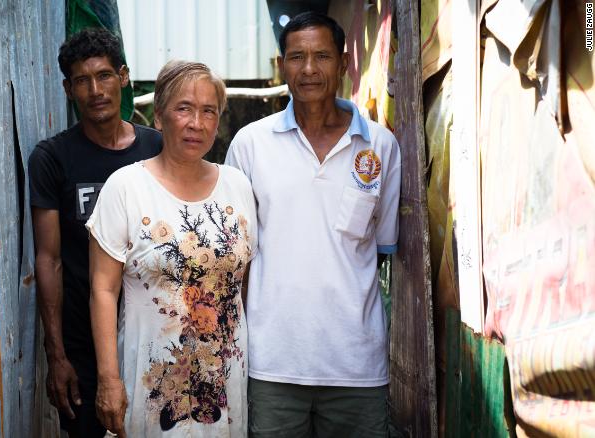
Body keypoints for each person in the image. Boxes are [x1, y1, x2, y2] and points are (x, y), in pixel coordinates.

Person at [224, 11, 401, 437]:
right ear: (281, 64)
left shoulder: (380, 145)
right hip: (272, 365)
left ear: (343, 64)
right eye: (296, 56)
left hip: (357, 366)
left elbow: (381, 249)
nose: (308, 69)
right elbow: (235, 257)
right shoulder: (250, 145)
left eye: (321, 56)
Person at [86, 61, 257, 437]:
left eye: (208, 111)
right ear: (160, 117)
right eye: (184, 108)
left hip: (224, 385)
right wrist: (108, 380)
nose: (196, 122)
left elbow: (240, 284)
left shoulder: (238, 186)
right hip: (152, 385)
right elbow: (102, 289)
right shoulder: (126, 187)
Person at [28, 28, 162, 438]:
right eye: (82, 81)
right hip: (83, 343)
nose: (95, 90)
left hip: (153, 335)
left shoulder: (157, 149)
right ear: (69, 89)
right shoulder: (53, 158)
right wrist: (57, 354)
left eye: (104, 76)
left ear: (123, 76)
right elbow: (48, 260)